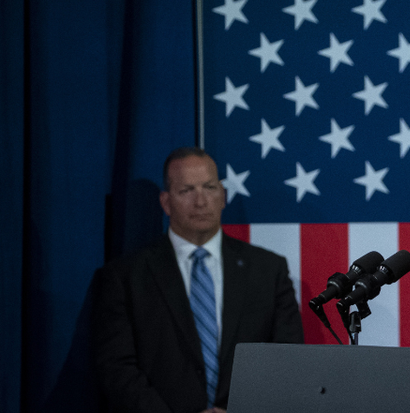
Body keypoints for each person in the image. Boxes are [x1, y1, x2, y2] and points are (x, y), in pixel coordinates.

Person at [94, 148, 303, 413]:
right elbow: (116, 368)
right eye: (187, 191)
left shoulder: (268, 270)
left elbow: (288, 360)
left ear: (223, 196)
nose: (201, 201)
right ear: (166, 202)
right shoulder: (125, 276)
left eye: (209, 187)